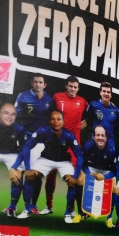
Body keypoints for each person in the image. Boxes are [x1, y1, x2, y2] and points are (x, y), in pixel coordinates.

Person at [16, 110, 82, 222]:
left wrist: (75, 175)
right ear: (49, 121)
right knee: (29, 177)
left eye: (59, 119)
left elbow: (80, 155)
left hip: (63, 162)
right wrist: (27, 168)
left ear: (63, 121)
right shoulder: (42, 131)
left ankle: (67, 213)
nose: (56, 122)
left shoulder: (69, 135)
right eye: (53, 119)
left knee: (72, 182)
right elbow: (27, 147)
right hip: (45, 159)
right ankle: (27, 209)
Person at [42, 75, 89, 216]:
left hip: (73, 146)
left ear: (78, 88)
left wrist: (78, 128)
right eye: (70, 86)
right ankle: (49, 206)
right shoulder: (57, 97)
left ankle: (72, 209)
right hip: (56, 144)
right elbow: (48, 115)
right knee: (51, 174)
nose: (73, 89)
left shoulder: (83, 102)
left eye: (75, 87)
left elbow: (89, 118)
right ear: (66, 86)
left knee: (73, 177)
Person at [13, 73, 53, 215]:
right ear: (32, 83)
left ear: (44, 84)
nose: (38, 84)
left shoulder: (49, 99)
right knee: (19, 172)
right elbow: (15, 116)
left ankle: (33, 205)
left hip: (41, 143)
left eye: (40, 82)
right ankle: (13, 205)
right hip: (25, 140)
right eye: (35, 82)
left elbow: (53, 120)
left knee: (36, 175)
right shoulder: (22, 96)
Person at [75, 126, 117, 223]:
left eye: (102, 135)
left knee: (115, 188)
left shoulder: (111, 150)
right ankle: (80, 213)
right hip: (91, 168)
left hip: (106, 170)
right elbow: (83, 164)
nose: (100, 138)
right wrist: (88, 173)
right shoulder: (87, 146)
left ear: (106, 137)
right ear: (93, 137)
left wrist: (104, 177)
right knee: (80, 180)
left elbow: (114, 171)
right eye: (97, 135)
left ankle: (109, 218)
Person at [83, 82, 119, 151]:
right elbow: (87, 121)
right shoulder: (93, 105)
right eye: (104, 91)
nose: (106, 94)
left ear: (111, 95)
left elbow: (118, 130)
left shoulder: (116, 111)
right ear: (100, 92)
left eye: (108, 92)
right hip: (95, 143)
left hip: (109, 146)